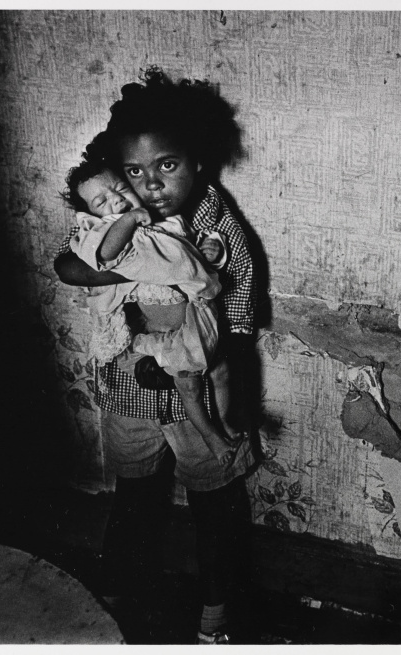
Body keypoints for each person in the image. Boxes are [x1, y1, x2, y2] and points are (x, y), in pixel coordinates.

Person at [54, 68, 255, 644]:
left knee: (213, 495)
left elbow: (238, 300)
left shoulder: (215, 221)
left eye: (166, 166)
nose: (151, 185)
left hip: (199, 373)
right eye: (135, 172)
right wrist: (117, 247)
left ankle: (217, 615)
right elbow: (67, 266)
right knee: (135, 492)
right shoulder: (109, 216)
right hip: (129, 382)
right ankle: (112, 597)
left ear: (196, 159)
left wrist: (225, 364)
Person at [62, 159, 241, 467]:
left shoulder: (166, 221)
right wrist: (129, 220)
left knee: (221, 372)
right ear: (90, 215)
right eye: (101, 202)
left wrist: (210, 248)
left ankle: (225, 422)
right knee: (189, 385)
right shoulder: (107, 230)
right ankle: (211, 436)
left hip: (196, 319)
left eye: (119, 189)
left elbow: (189, 248)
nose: (116, 199)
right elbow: (104, 254)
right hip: (165, 336)